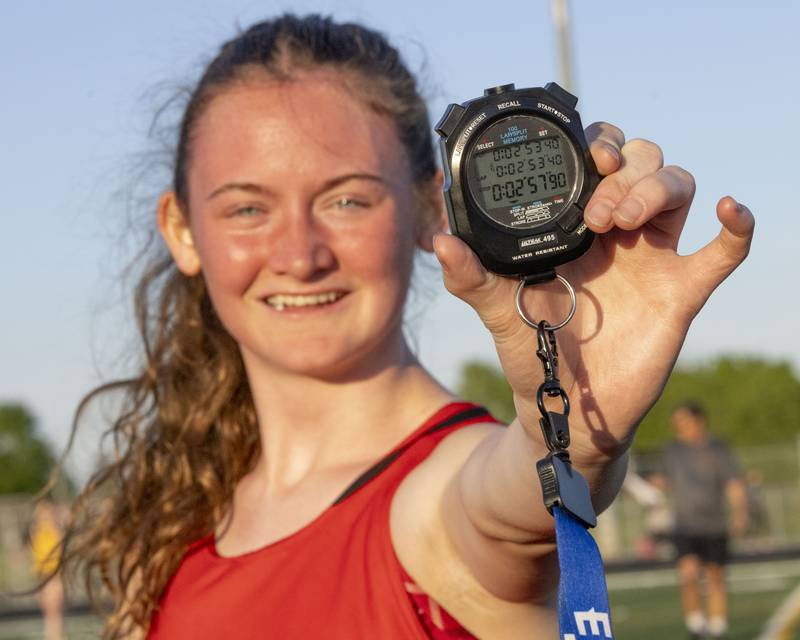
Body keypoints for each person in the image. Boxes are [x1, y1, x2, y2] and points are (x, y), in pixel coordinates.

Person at [55, 14, 754, 639]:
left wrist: (567, 433)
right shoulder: (182, 518)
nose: (300, 255)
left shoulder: (439, 501)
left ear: (429, 208)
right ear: (181, 229)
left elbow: (503, 511)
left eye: (348, 200)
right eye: (246, 209)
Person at [661, 401, 749, 640]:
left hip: (714, 524)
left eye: (684, 421)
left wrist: (740, 512)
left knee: (715, 576)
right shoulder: (672, 450)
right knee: (688, 573)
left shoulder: (718, 448)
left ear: (699, 420)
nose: (679, 426)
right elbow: (664, 480)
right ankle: (696, 627)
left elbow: (733, 483)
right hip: (685, 525)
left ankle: (717, 628)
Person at [29, 499, 66, 640]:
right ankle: (51, 633)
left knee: (54, 605)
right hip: (42, 572)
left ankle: (56, 634)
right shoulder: (36, 531)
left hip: (54, 571)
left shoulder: (56, 529)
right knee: (46, 605)